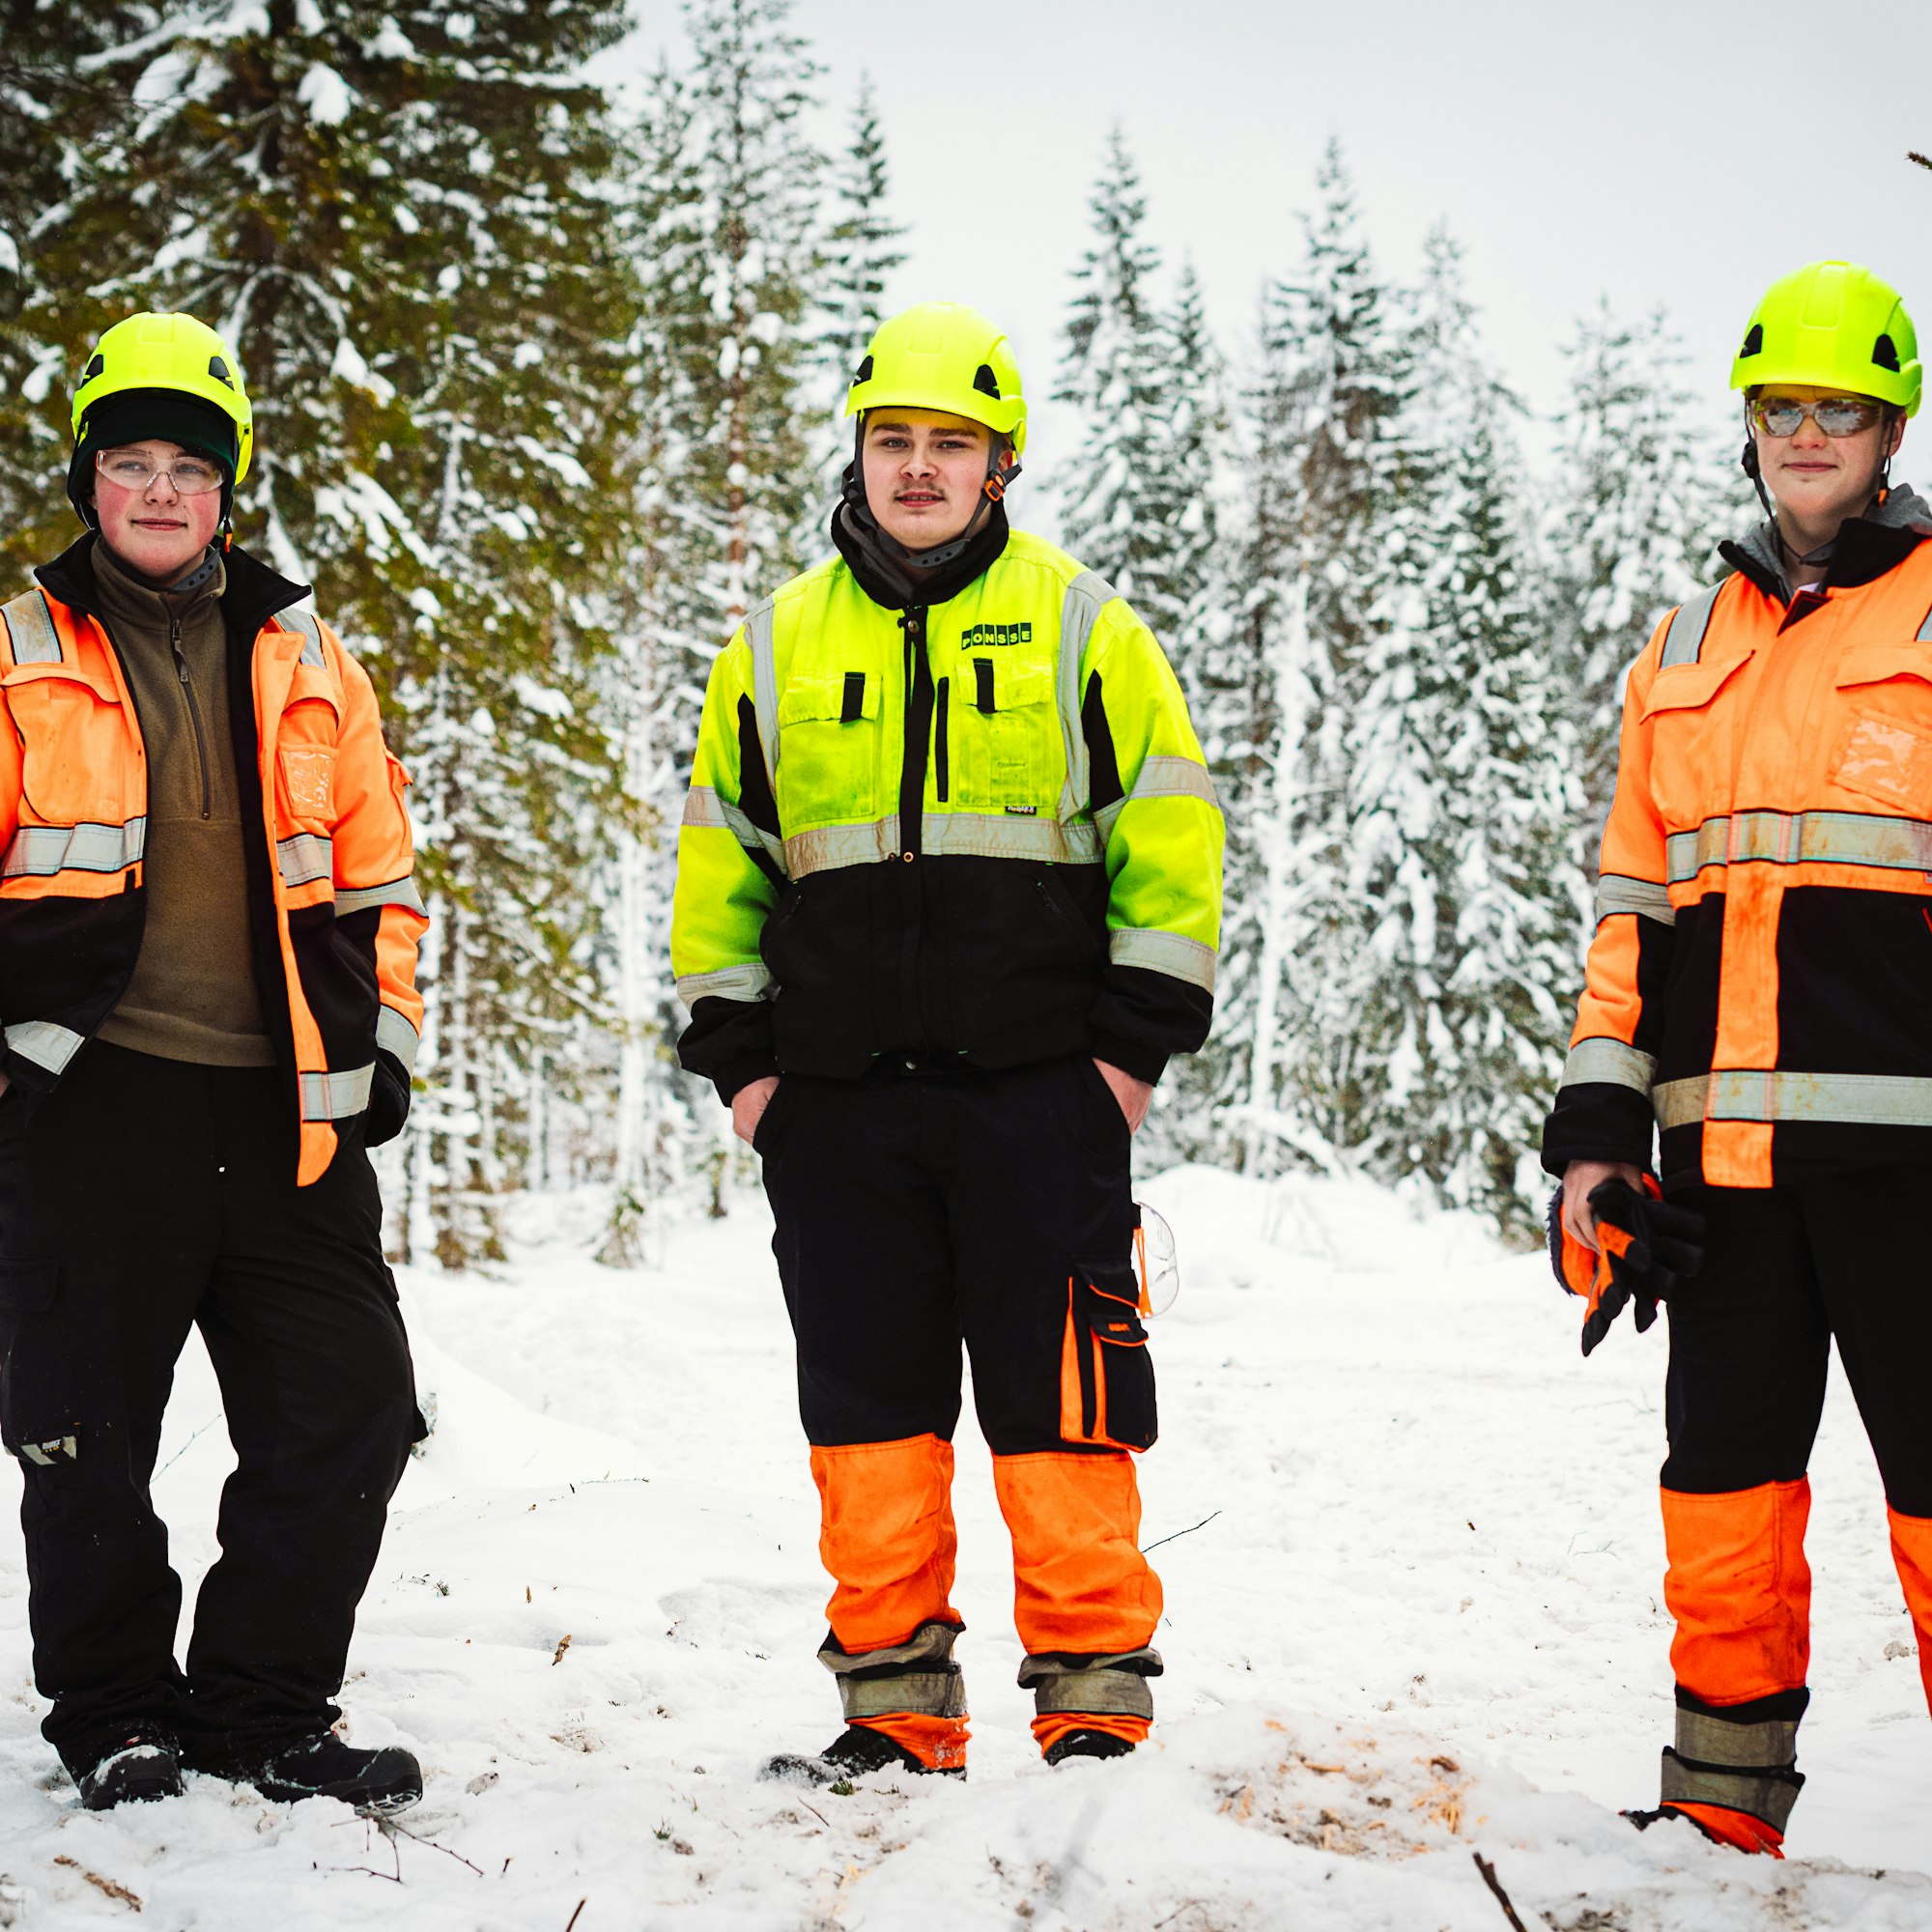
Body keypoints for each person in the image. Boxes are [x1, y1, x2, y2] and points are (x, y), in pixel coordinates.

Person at [669, 301, 1223, 1781]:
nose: (920, 468)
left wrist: (1124, 1061)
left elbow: (1170, 842)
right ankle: (896, 1707)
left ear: (1002, 464)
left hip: (1040, 1100)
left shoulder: (1082, 625)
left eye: (952, 445)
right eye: (894, 440)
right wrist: (751, 1074)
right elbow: (722, 860)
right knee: (868, 1417)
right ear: (858, 453)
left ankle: (1093, 1695)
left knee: (1067, 1407)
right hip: (838, 1109)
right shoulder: (777, 642)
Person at [0, 311, 430, 1811]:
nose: (163, 490)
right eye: (134, 461)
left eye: (192, 463)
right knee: (82, 1432)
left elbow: (381, 876)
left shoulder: (307, 652)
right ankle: (116, 1711)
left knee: (352, 1401)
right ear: (90, 480)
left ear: (228, 482)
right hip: (83, 1100)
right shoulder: (16, 651)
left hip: (281, 1107)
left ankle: (265, 1707)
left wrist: (380, 1056)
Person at [1543, 260, 1931, 1856]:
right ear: (1751, 431)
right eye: (1784, 408)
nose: (1810, 433)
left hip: (1915, 1170)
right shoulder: (1684, 644)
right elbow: (1632, 909)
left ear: (1890, 425)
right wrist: (1593, 1133)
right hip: (1724, 1183)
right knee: (1720, 1502)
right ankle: (1721, 1821)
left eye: (1841, 407)